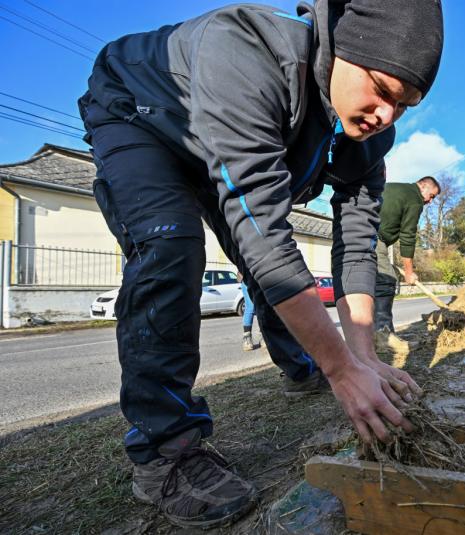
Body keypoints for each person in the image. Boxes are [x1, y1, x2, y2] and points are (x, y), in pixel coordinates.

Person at [78, 0, 443, 528]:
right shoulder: (246, 54)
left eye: (404, 105)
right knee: (171, 247)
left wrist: (361, 358)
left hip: (215, 141)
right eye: (382, 91)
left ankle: (302, 368)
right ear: (339, 49)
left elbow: (357, 247)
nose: (388, 115)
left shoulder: (371, 137)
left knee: (269, 272)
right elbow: (264, 234)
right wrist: (342, 370)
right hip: (142, 114)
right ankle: (165, 454)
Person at [374, 177, 440, 331]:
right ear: (423, 187)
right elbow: (407, 236)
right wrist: (409, 272)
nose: (430, 202)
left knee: (369, 284)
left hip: (352, 231)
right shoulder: (415, 198)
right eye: (431, 196)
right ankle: (384, 336)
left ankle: (368, 337)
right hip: (371, 237)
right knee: (386, 281)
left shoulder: (395, 187)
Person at [237, 273, 260, 351]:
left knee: (261, 306)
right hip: (246, 276)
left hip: (258, 275)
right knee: (250, 307)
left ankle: (263, 336)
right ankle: (247, 339)